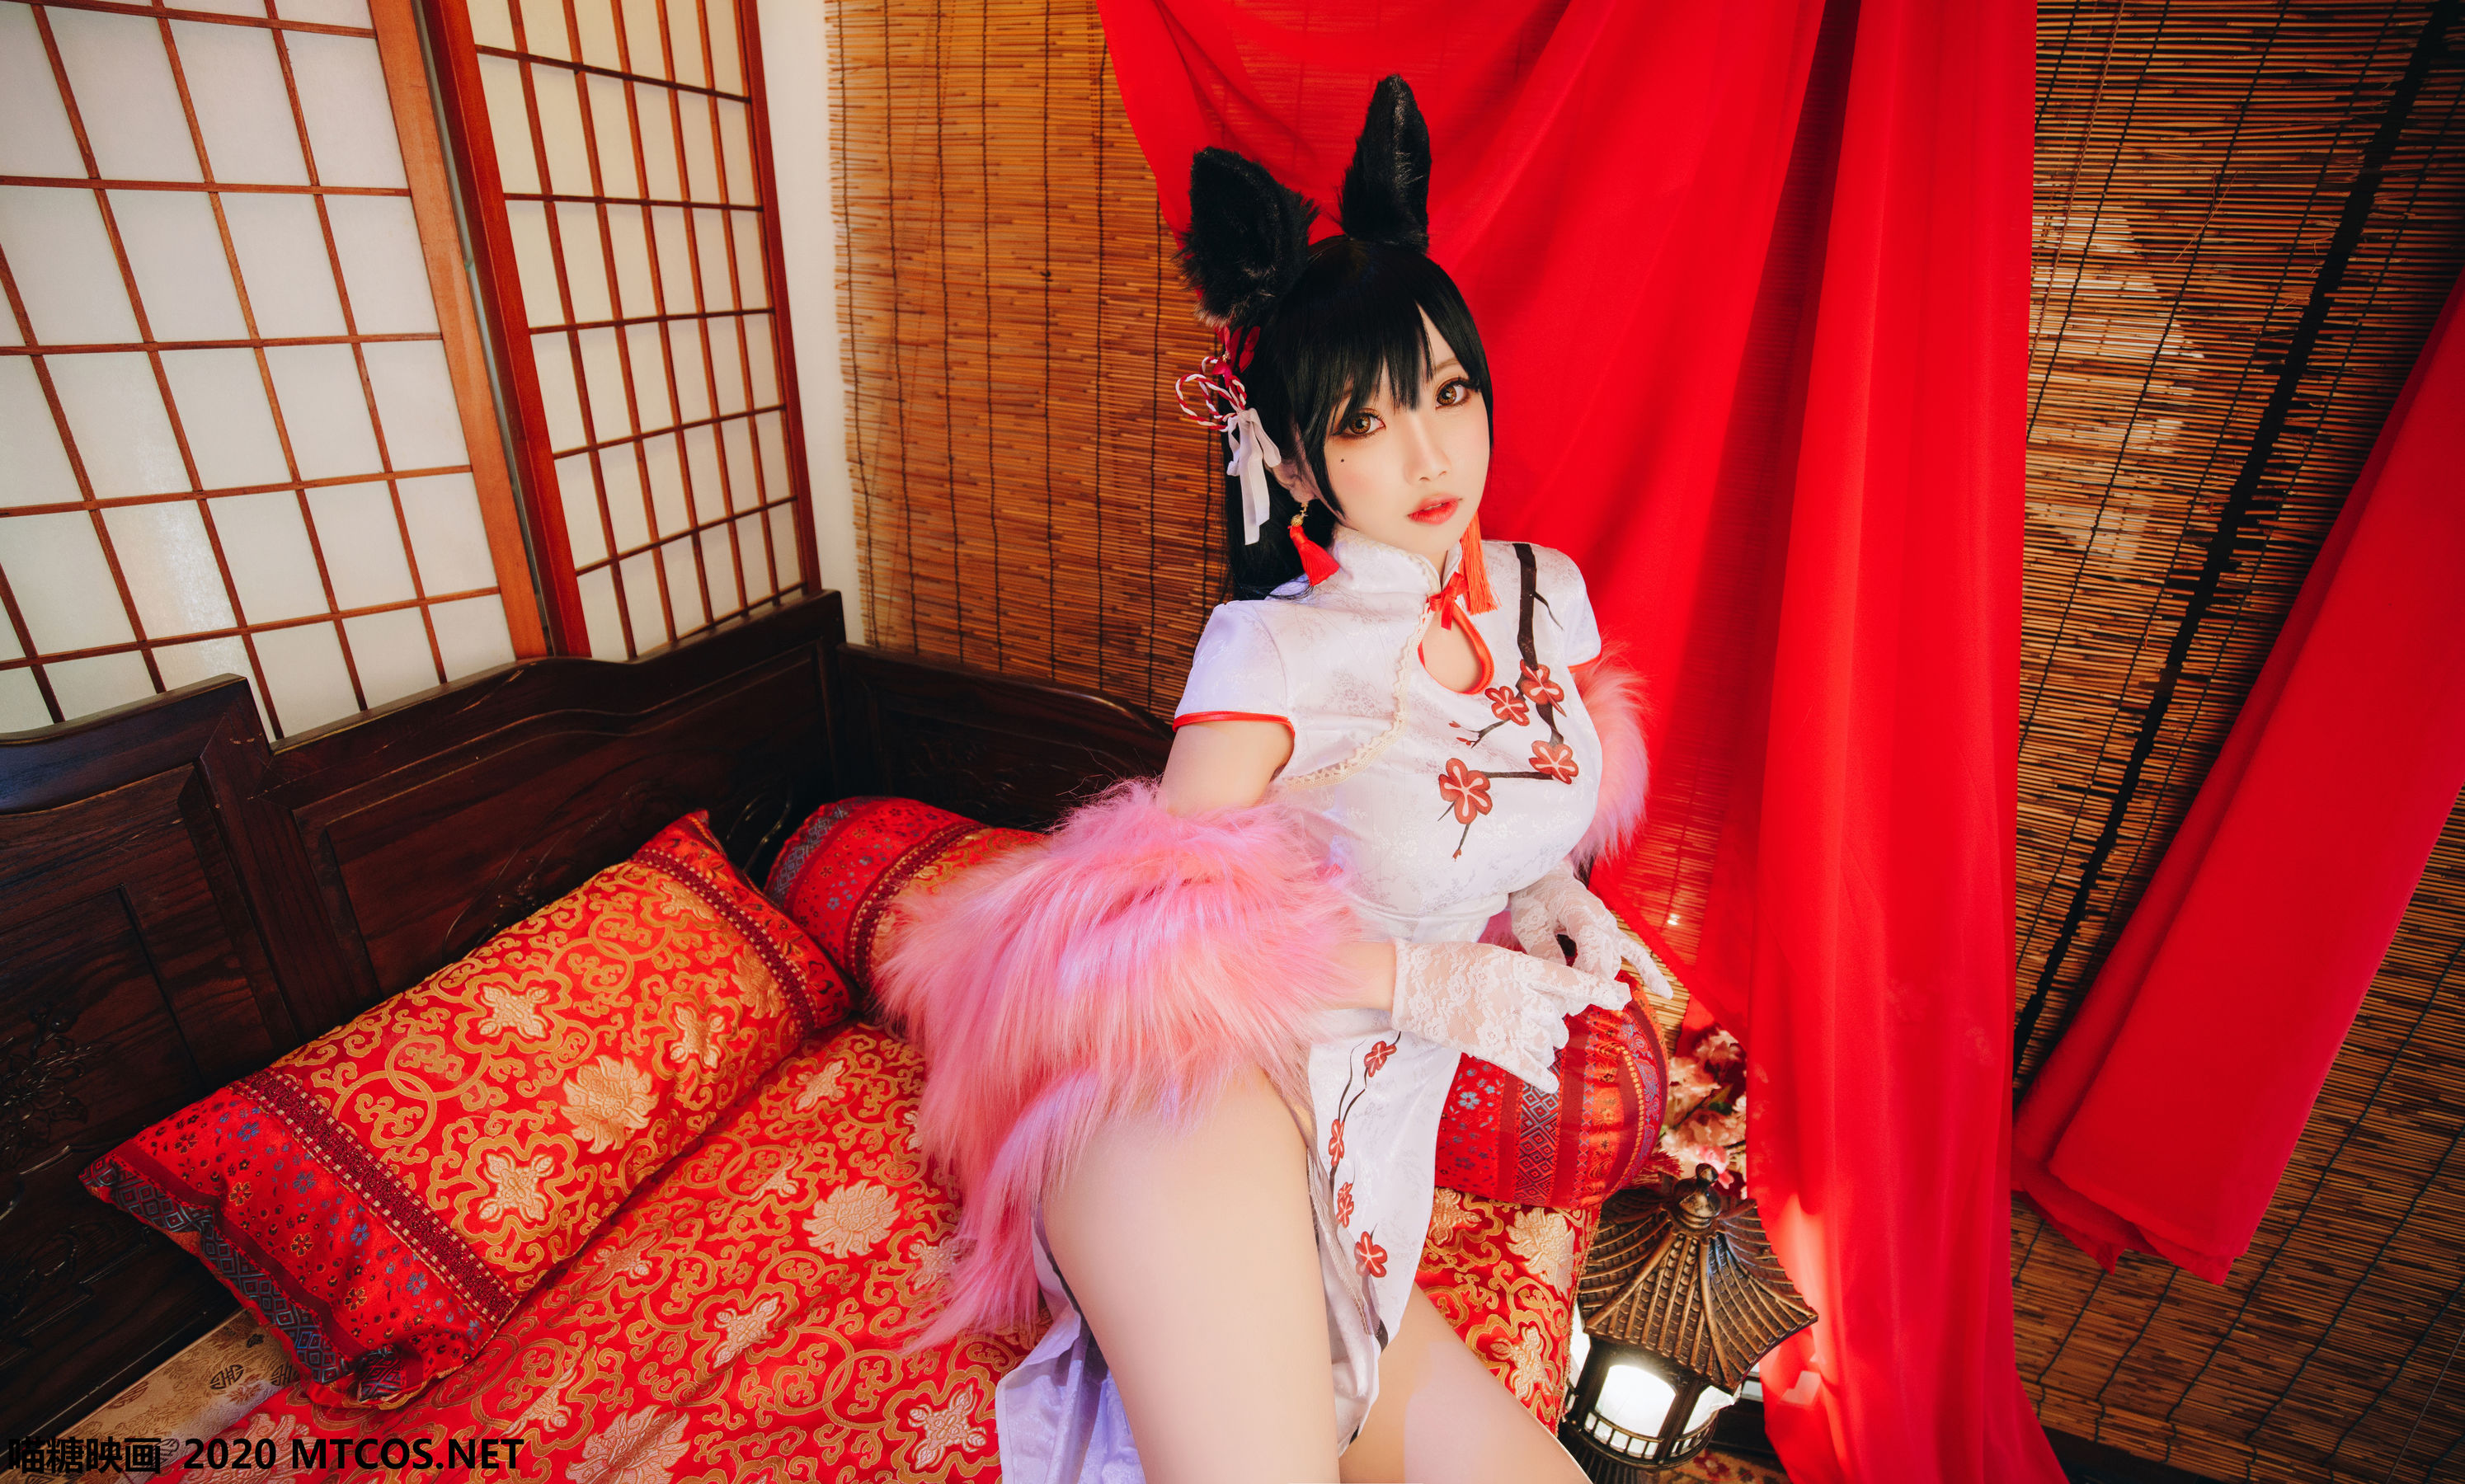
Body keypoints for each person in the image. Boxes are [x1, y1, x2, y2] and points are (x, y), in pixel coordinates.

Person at [878, 75, 1660, 1484]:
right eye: (1363, 425)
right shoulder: (1271, 648)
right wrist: (1423, 981)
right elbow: (1144, 938)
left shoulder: (1548, 592)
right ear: (1293, 459)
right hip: (1199, 1104)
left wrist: (1543, 882)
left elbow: (1497, 784)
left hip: (1367, 1143)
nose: (1428, 453)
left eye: (1448, 392)